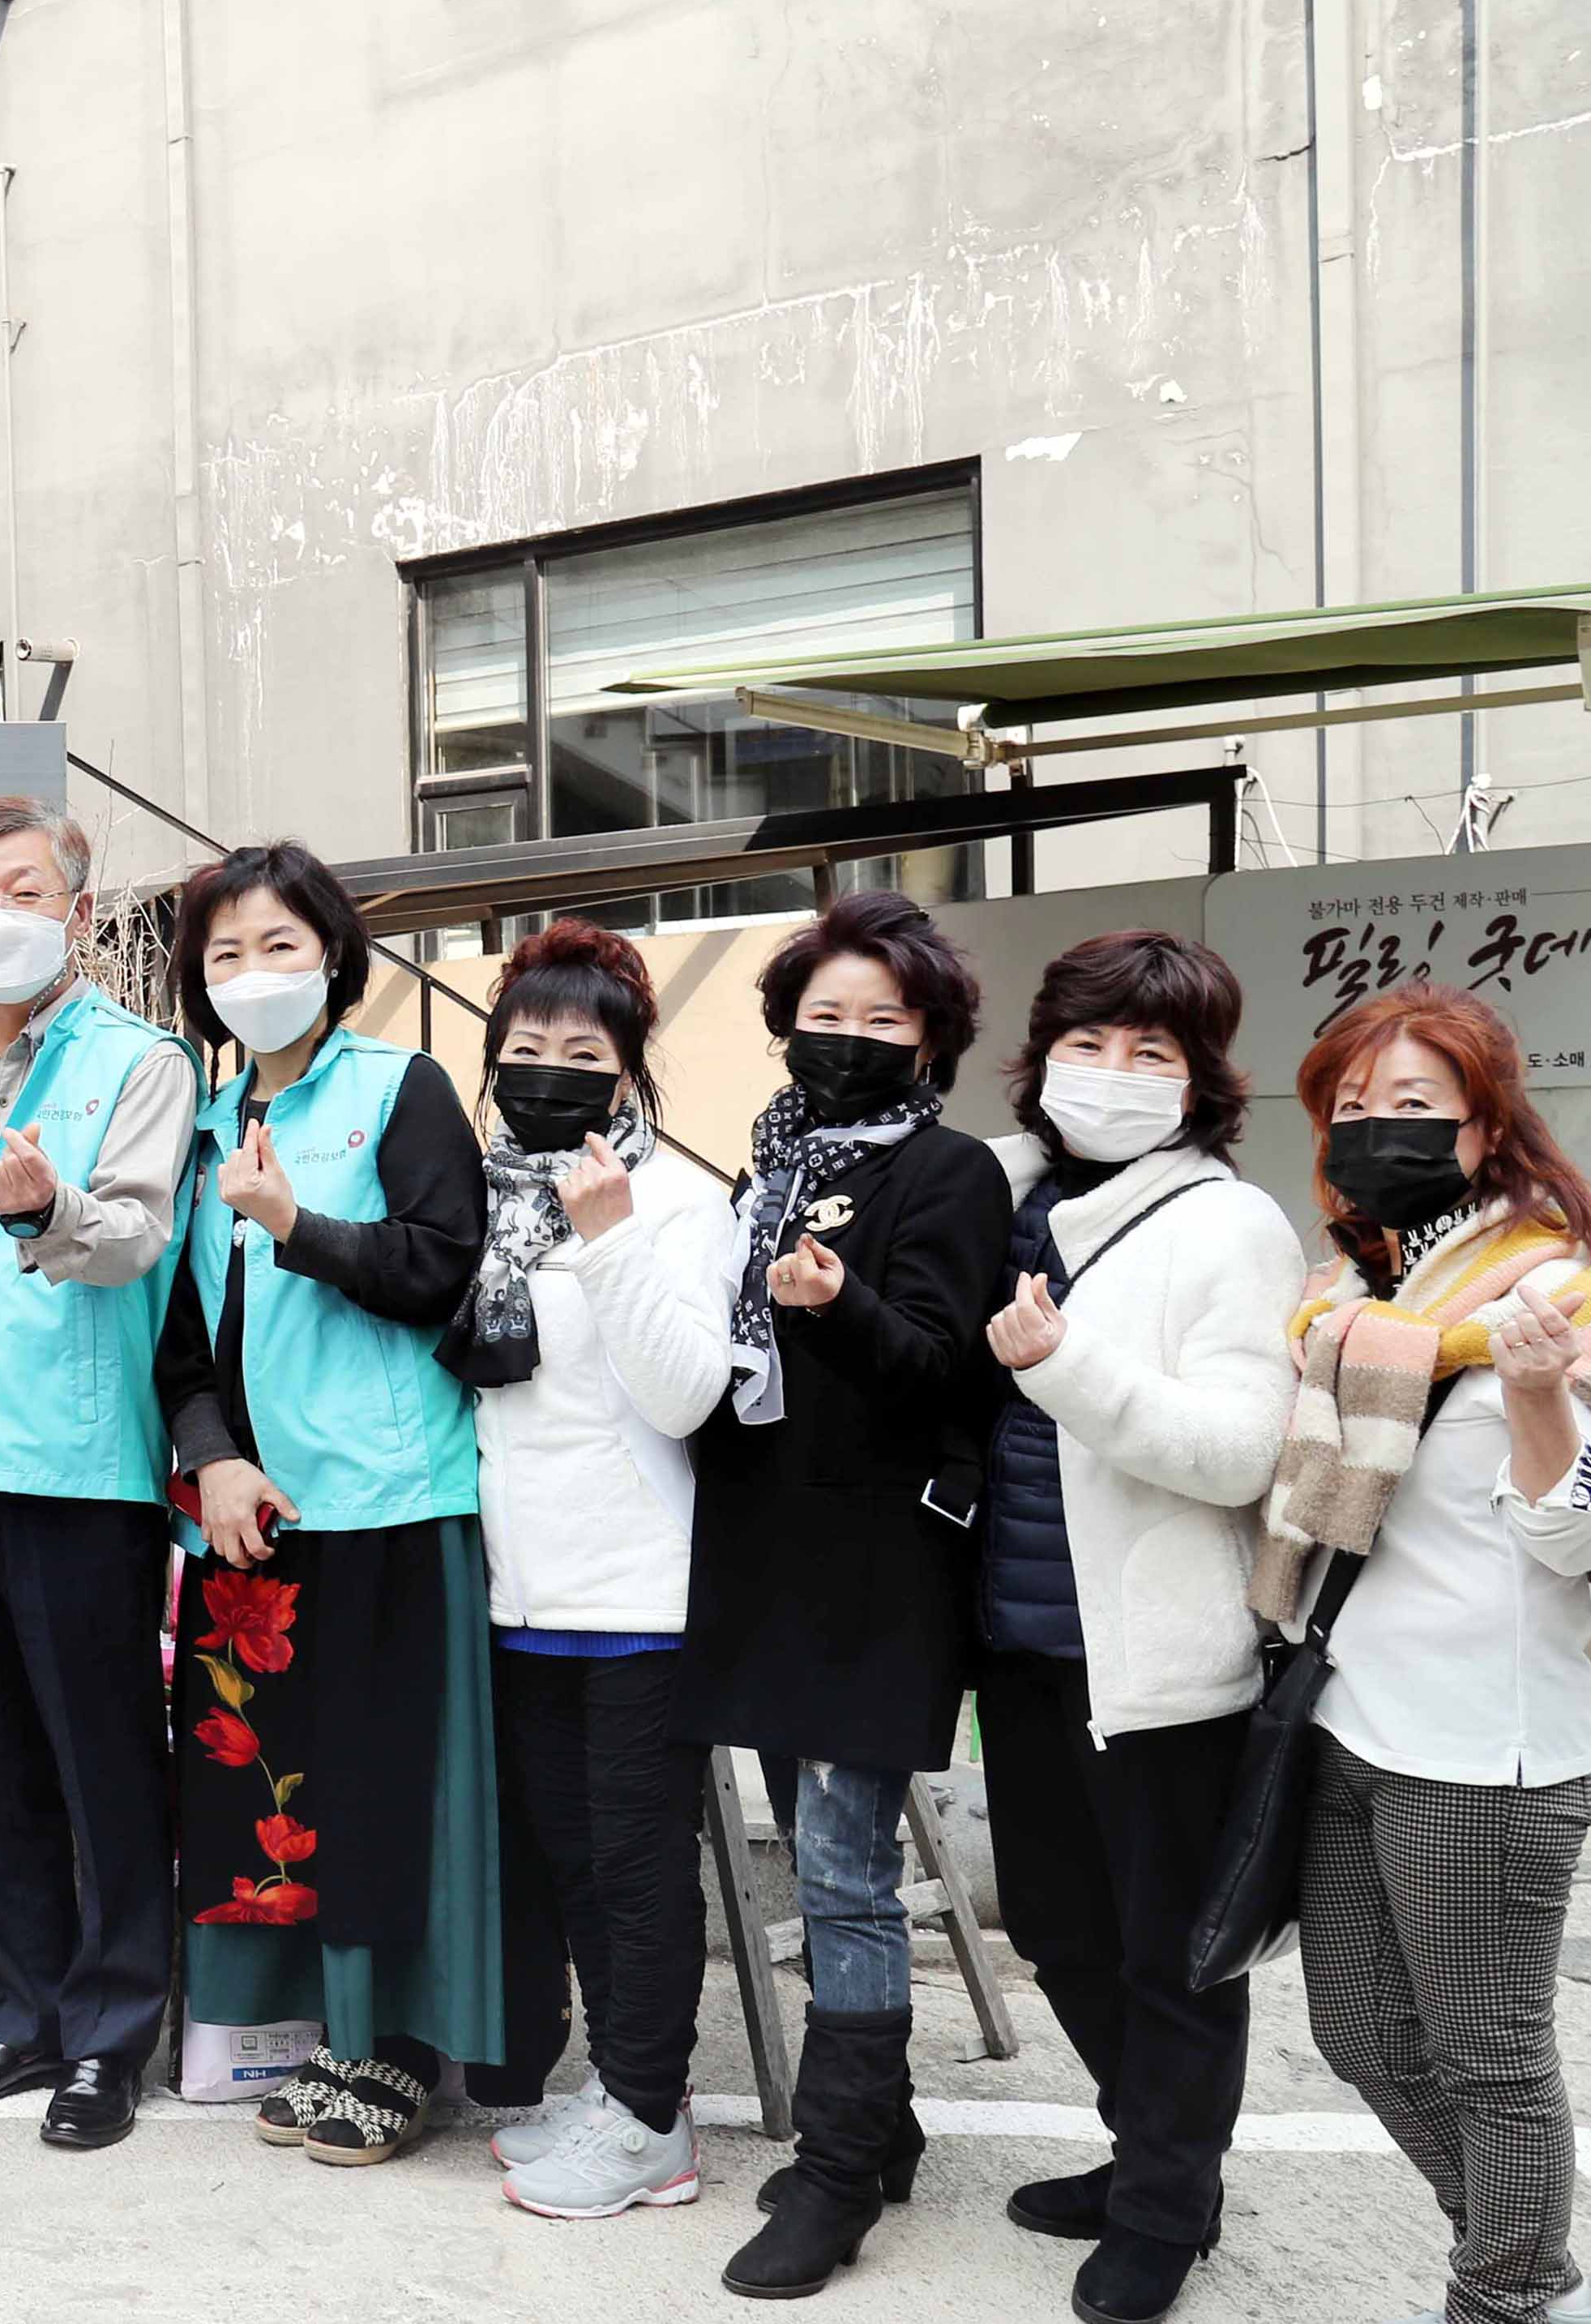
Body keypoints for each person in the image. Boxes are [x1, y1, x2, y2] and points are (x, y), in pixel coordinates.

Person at [964, 933, 1302, 2323]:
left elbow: (1238, 1451)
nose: (1110, 1070)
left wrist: (1068, 1365)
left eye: (1148, 1050)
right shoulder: (998, 1194)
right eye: (1086, 1043)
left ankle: (1165, 2204)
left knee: (1170, 1953)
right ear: (1042, 1057)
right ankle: (1150, 2151)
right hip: (1015, 1638)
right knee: (1055, 1927)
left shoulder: (1229, 1224)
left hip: (1153, 1660)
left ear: (1197, 1076)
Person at [686, 889, 1014, 2299]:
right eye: (825, 1013)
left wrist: (837, 1306)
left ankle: (834, 2172)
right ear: (784, 1027)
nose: (849, 1036)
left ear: (928, 1036)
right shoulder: (764, 1165)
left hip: (872, 1567)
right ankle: (881, 2128)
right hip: (768, 1555)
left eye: (882, 1017)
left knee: (841, 1870)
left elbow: (945, 1367)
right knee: (820, 1860)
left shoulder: (949, 1172)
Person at [161, 842, 500, 2171]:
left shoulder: (398, 1087)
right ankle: (323, 2033)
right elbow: (182, 1343)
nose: (253, 973)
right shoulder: (204, 1125)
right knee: (275, 1794)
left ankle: (393, 2050)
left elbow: (443, 1265)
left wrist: (296, 1222)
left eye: (280, 945)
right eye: (226, 952)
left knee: (380, 1788)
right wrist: (213, 1460)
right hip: (255, 1520)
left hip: (384, 1502)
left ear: (335, 958)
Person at [1264, 983, 1591, 2324]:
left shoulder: (1555, 1287)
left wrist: (1535, 1394)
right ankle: (1517, 2257)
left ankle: (1505, 2294)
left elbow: (1575, 1541)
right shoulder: (1353, 1295)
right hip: (1349, 1717)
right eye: (1350, 1105)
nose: (1373, 1127)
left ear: (1485, 1123)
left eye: (1412, 1103)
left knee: (1486, 2054)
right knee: (1356, 2032)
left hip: (1481, 1747)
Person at [0, 796, 195, 2152]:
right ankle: (22, 2015)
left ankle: (111, 2033)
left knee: (102, 1763)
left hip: (78, 1464)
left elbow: (133, 1237)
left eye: (20, 889)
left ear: (74, 910)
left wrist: (46, 1205)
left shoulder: (139, 1060)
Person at [442, 920, 737, 2219]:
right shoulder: (485, 1198)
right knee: (572, 1858)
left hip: (636, 1596)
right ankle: (626, 2090)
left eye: (581, 1052)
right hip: (520, 1594)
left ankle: (651, 2124)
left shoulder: (677, 1202)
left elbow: (683, 1397)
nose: (547, 1071)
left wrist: (608, 1238)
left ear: (627, 1070)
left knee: (635, 1863)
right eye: (525, 1047)